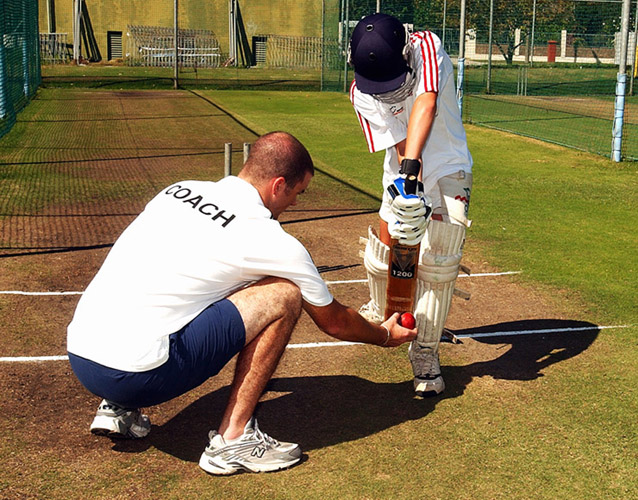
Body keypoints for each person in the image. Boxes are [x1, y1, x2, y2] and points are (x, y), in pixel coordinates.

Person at [66, 131, 417, 476]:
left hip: (82, 357)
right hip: (139, 375)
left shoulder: (176, 190)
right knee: (284, 295)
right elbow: (335, 321)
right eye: (297, 193)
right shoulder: (275, 242)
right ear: (278, 185)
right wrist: (384, 336)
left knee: (185, 275)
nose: (294, 203)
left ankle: (117, 407)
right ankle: (233, 440)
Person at [348, 13, 473, 397]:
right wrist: (408, 187)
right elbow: (396, 137)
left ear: (404, 52)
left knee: (440, 260)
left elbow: (426, 105)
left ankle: (425, 351)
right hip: (402, 169)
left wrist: (413, 170)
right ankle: (381, 307)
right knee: (387, 251)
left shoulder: (426, 47)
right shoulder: (360, 92)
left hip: (449, 165)